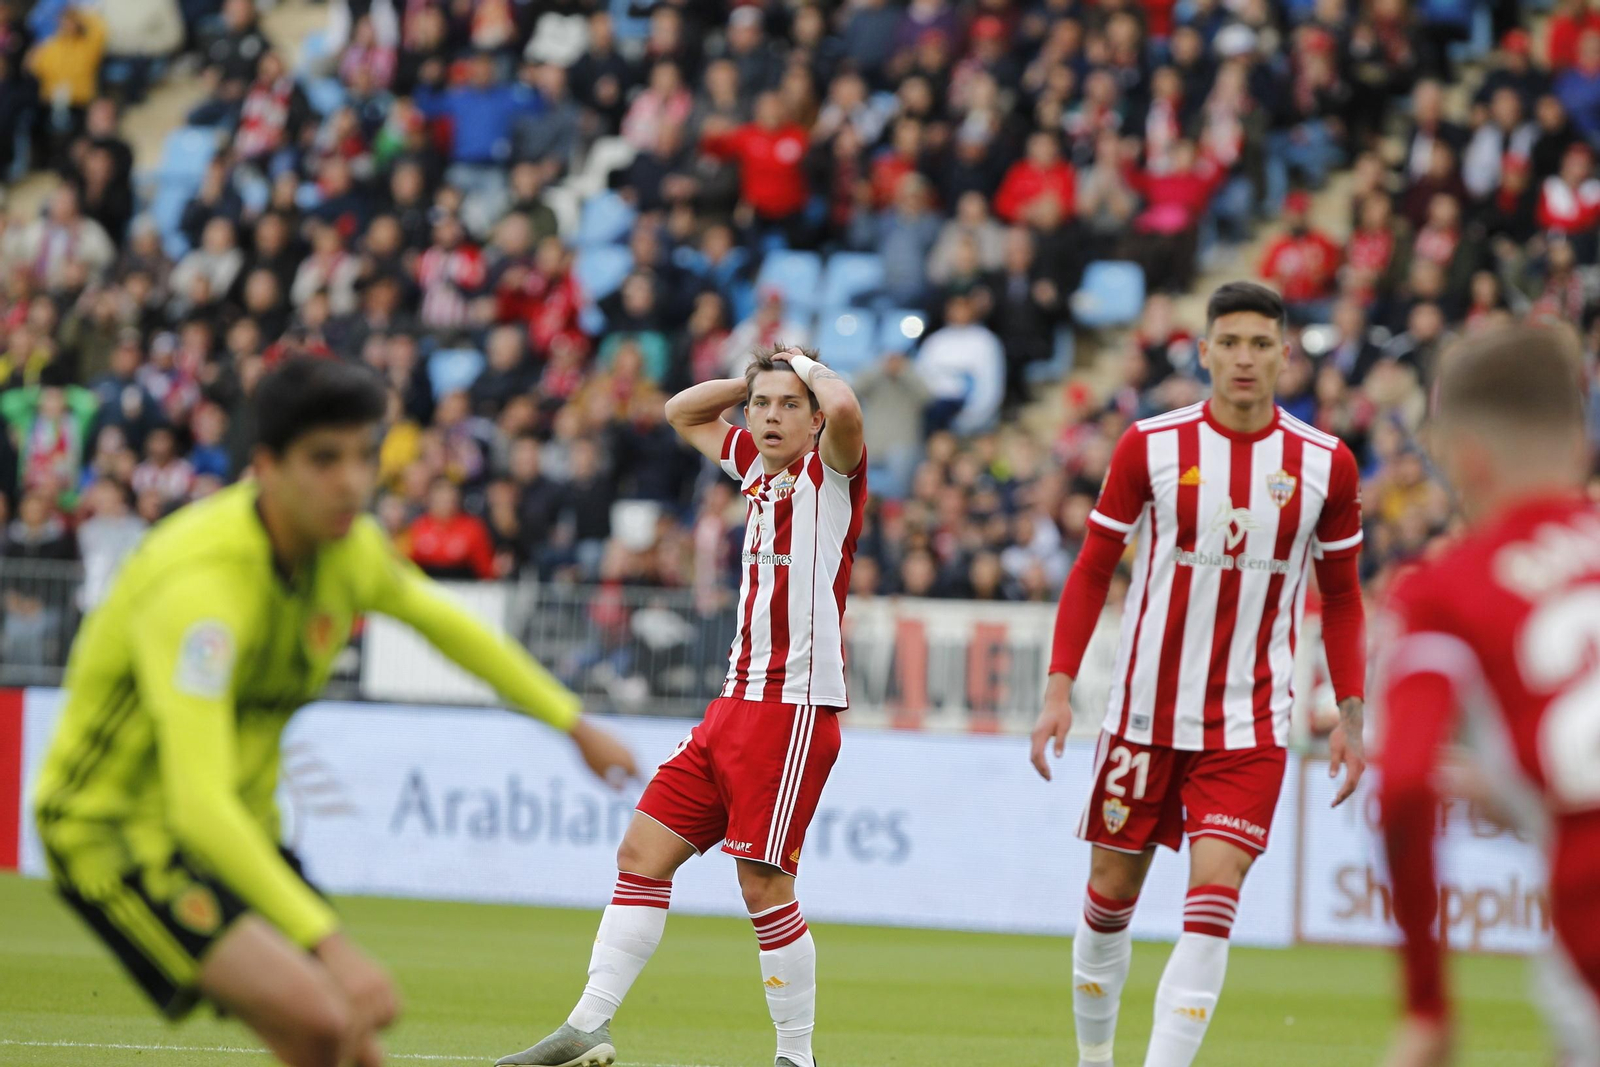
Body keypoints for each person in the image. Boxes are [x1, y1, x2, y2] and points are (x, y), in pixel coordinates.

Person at [32, 358, 636, 1067]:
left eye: (363, 455)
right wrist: (331, 944)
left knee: (341, 1040)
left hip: (237, 824)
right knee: (324, 1021)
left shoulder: (348, 549)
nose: (351, 480)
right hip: (118, 830)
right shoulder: (201, 587)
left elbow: (448, 626)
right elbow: (195, 802)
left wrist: (572, 723)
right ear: (266, 466)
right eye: (324, 459)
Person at [1030, 282, 1369, 1067]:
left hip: (1249, 723)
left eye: (1261, 343)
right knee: (1108, 900)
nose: (1245, 357)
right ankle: (1094, 1060)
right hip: (1142, 714)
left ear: (1285, 352)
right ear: (1205, 349)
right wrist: (1058, 686)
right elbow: (1091, 568)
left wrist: (1353, 711)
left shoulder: (1326, 464)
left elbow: (1344, 597)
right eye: (1231, 342)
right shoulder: (1149, 444)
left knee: (1213, 903)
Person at [498, 345, 867, 1067]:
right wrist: (758, 377)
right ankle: (585, 1027)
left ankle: (796, 1056)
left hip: (790, 711)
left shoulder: (832, 473)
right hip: (732, 705)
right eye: (761, 405)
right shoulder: (758, 470)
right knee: (641, 851)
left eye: (790, 405)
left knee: (763, 885)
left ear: (814, 417)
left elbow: (848, 410)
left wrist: (798, 364)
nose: (769, 416)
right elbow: (680, 411)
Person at [1375, 324, 1600, 1067]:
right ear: (1578, 444)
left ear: (1462, 459)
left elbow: (1405, 782)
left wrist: (1426, 1004)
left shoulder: (1443, 590)